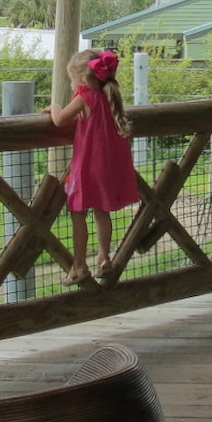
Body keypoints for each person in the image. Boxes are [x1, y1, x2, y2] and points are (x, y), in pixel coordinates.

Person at [49, 49, 140, 287]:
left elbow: (59, 121)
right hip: (105, 167)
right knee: (102, 213)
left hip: (86, 166)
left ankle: (79, 265)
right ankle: (104, 256)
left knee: (77, 213)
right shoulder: (108, 98)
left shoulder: (85, 98)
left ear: (82, 79)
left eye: (72, 79)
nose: (71, 83)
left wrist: (55, 106)